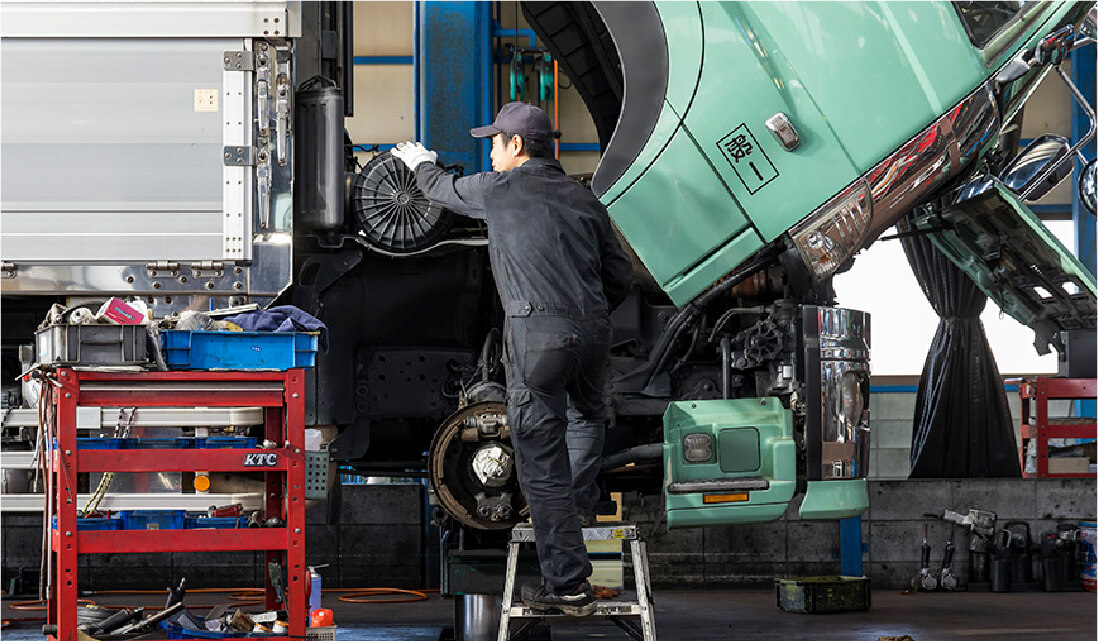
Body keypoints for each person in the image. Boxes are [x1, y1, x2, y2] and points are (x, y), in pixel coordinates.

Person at [391, 101, 632, 616]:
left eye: (495, 143)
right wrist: (584, 315)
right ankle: (580, 509)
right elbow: (621, 279)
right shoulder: (585, 199)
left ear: (516, 146)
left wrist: (421, 163)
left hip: (536, 330)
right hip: (592, 331)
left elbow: (441, 192)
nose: (492, 151)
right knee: (586, 416)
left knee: (540, 460)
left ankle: (568, 585)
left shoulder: (499, 190)